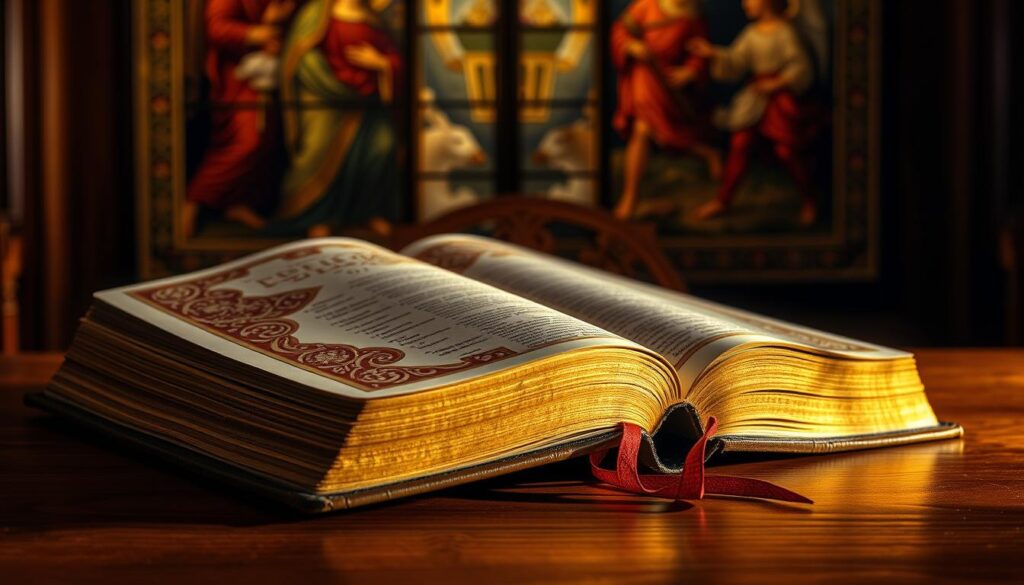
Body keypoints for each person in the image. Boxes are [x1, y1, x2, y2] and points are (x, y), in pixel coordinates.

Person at [271, 0, 402, 235]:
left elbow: (395, 58)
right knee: (317, 148)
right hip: (327, 100)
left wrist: (381, 63)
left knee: (383, 145)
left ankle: (370, 212)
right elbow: (298, 58)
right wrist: (332, 83)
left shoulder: (373, 18)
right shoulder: (317, 13)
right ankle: (315, 214)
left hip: (369, 103)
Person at [689, 0, 823, 226]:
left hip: (779, 100)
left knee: (786, 151)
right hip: (756, 98)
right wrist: (713, 54)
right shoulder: (752, 33)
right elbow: (736, 62)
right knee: (740, 144)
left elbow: (801, 66)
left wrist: (778, 83)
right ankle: (723, 201)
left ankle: (810, 200)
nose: (744, 4)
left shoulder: (785, 32)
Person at [183, 0, 296, 237]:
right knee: (248, 140)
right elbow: (217, 28)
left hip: (271, 73)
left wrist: (277, 28)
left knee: (267, 141)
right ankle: (193, 202)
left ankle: (236, 203)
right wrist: (257, 34)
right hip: (236, 77)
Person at [610, 0, 721, 220]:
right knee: (642, 129)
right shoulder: (645, 6)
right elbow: (619, 33)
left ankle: (707, 153)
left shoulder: (693, 15)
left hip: (667, 82)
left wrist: (690, 71)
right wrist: (631, 46)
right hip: (643, 75)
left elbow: (699, 52)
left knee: (665, 135)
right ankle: (630, 198)